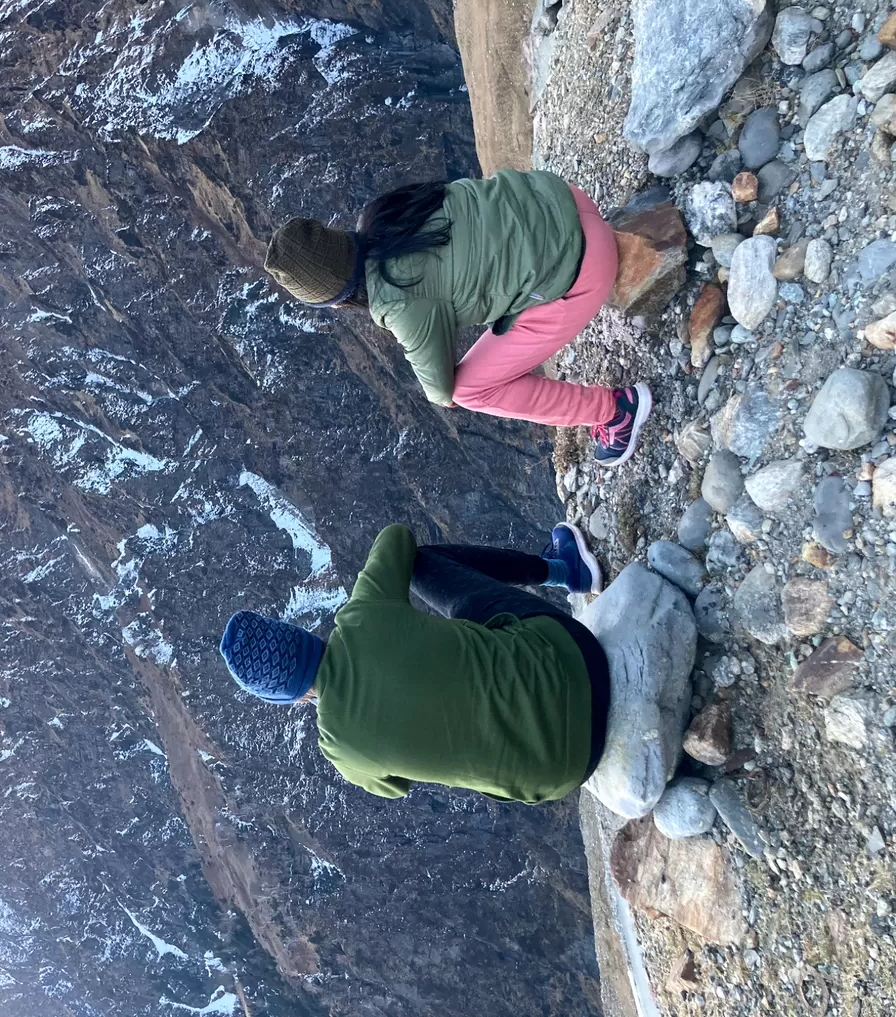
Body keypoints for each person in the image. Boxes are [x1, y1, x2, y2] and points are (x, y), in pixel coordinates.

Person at [262, 169, 651, 467]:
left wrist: (441, 394)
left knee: (471, 391)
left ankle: (615, 412)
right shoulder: (387, 213)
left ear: (335, 297)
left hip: (584, 267)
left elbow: (440, 387)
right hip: (565, 199)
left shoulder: (394, 298)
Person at [218, 522, 611, 804]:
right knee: (424, 564)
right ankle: (564, 570)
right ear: (298, 634)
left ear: (287, 697)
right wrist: (368, 595)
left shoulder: (340, 750)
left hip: (564, 771)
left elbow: (396, 785)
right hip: (575, 660)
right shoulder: (362, 615)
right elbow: (398, 537)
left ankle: (565, 572)